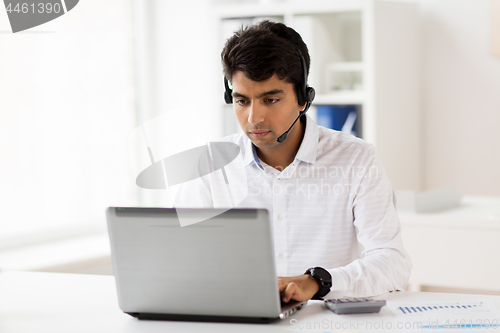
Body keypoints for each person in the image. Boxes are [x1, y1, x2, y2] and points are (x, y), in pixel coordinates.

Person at [175, 20, 412, 303]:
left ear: (303, 97)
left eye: (271, 100)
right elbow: (178, 256)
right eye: (241, 101)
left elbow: (392, 262)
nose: (254, 118)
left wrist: (317, 282)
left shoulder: (355, 158)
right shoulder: (210, 164)